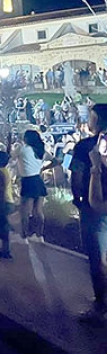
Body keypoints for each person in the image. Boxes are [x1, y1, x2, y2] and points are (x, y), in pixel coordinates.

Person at [70, 103, 107, 323]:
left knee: (96, 257)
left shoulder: (85, 147)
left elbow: (76, 174)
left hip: (93, 206)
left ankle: (100, 304)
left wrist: (77, 199)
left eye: (91, 117)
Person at [16, 129, 52, 242]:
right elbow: (57, 160)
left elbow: (10, 156)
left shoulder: (22, 149)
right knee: (38, 211)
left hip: (27, 181)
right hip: (38, 180)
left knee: (24, 212)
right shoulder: (41, 151)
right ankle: (39, 235)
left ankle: (24, 236)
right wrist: (44, 168)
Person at [0, 148, 16, 260]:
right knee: (3, 225)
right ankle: (5, 249)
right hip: (7, 201)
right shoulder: (5, 170)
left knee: (0, 226)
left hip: (3, 202)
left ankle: (4, 250)